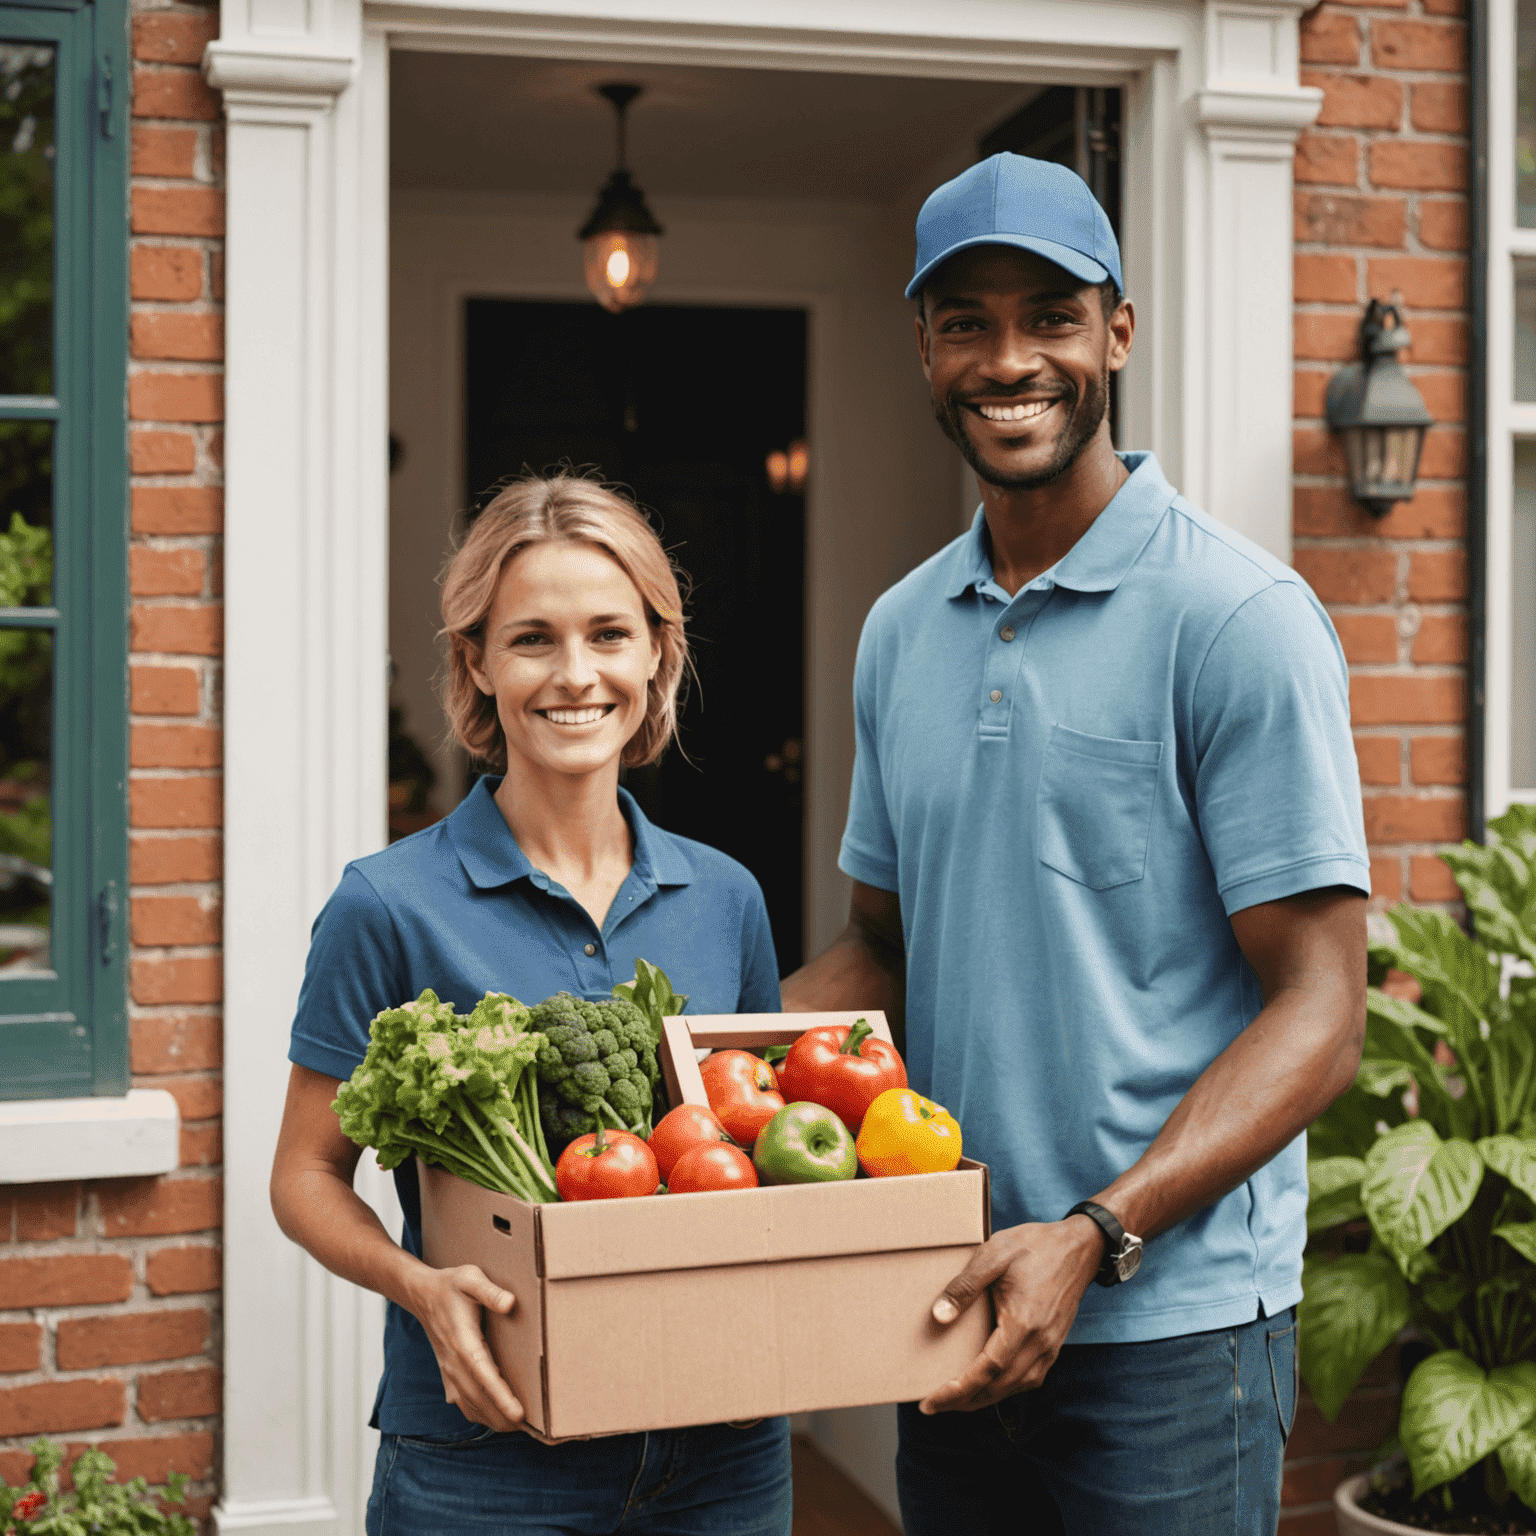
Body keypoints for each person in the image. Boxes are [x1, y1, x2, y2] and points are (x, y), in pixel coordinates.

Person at [781, 153, 1370, 1534]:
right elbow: (883, 948)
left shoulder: (1237, 620)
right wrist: (683, 1062)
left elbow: (1324, 1007)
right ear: (924, 349)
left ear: (1116, 330)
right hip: (958, 1305)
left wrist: (1098, 1233)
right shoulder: (900, 631)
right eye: (967, 321)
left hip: (1175, 1336)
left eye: (1049, 313)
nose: (1009, 357)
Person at [270, 474, 791, 1536]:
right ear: (477, 662)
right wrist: (420, 1288)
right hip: (484, 1453)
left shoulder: (726, 896)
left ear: (657, 653)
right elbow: (304, 1177)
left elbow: (754, 1157)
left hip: (720, 1446)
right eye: (532, 640)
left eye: (609, 634)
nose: (575, 675)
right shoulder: (387, 905)